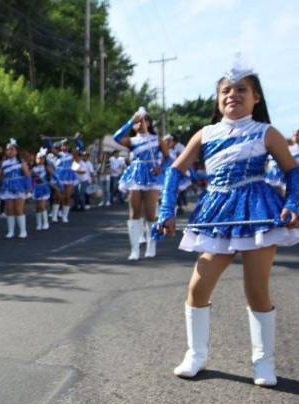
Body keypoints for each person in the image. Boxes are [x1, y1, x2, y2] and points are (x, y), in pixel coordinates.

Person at [155, 62, 299, 387]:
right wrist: (166, 209)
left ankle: (263, 362)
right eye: (226, 90)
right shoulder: (205, 133)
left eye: (241, 89)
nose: (233, 94)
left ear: (256, 97)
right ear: (218, 99)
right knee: (198, 286)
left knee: (256, 289)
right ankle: (196, 354)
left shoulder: (266, 132)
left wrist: (293, 203)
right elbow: (174, 171)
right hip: (217, 211)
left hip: (257, 211)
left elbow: (293, 171)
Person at [113, 107, 169, 260]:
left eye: (143, 121)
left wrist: (161, 168)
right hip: (136, 175)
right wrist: (131, 119)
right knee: (134, 212)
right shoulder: (131, 141)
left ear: (149, 123)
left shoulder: (158, 139)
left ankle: (151, 246)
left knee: (151, 214)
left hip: (152, 176)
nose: (140, 124)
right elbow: (116, 138)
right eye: (136, 123)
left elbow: (167, 158)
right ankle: (135, 249)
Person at [0, 138, 31, 238]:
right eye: (8, 149)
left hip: (19, 187)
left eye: (12, 149)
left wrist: (28, 187)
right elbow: (0, 175)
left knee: (18, 209)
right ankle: (11, 231)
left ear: (16, 151)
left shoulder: (21, 162)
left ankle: (23, 231)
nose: (10, 151)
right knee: (9, 209)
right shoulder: (4, 163)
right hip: (8, 187)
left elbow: (27, 175)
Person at [51, 139, 77, 223]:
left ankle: (65, 216)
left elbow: (79, 148)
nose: (65, 147)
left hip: (69, 176)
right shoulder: (58, 155)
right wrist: (46, 139)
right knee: (57, 196)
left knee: (67, 197)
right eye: (63, 145)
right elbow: (50, 148)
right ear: (61, 147)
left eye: (66, 145)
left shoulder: (72, 155)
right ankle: (54, 215)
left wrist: (77, 139)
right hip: (59, 176)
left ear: (69, 146)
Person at [30, 149, 51, 230]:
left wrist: (57, 184)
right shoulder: (33, 169)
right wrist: (31, 187)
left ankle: (45, 222)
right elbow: (30, 179)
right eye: (38, 158)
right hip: (36, 188)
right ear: (36, 159)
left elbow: (54, 175)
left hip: (44, 188)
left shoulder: (46, 168)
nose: (40, 160)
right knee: (38, 206)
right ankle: (39, 223)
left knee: (42, 205)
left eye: (42, 158)